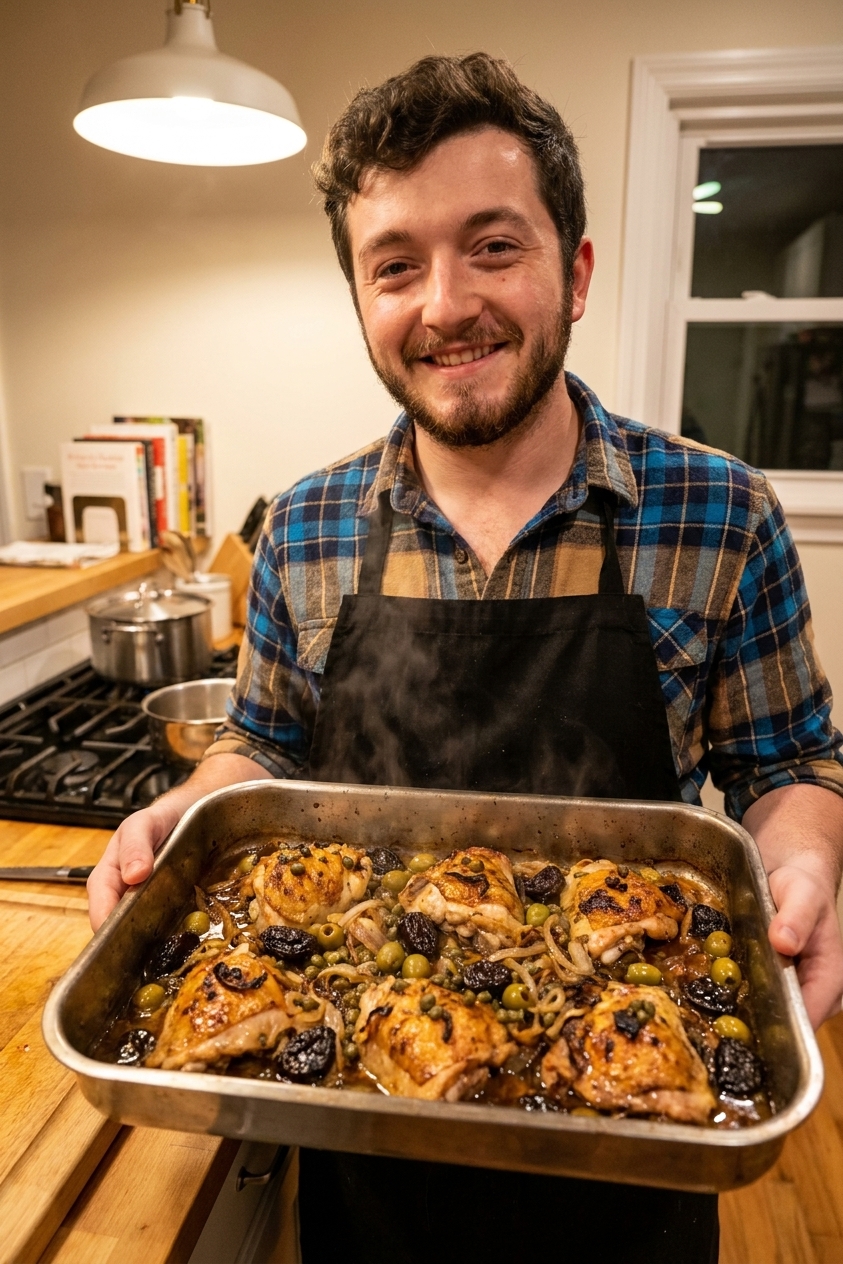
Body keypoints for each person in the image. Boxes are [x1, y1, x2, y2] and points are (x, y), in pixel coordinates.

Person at [88, 52, 843, 1264]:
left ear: (574, 271)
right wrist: (193, 809)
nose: (445, 304)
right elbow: (262, 745)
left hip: (632, 1160)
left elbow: (790, 764)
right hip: (365, 1149)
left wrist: (804, 861)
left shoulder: (721, 514)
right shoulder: (306, 525)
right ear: (360, 296)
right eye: (396, 265)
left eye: (493, 247)